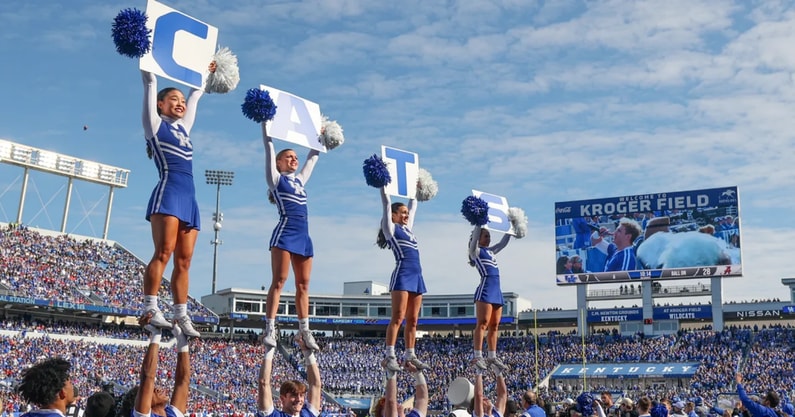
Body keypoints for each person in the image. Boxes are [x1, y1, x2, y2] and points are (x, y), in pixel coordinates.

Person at [140, 62, 217, 337]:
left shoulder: (185, 128)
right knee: (164, 251)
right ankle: (150, 307)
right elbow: (149, 80)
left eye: (181, 100)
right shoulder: (154, 124)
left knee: (184, 261)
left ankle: (180, 314)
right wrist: (148, 59)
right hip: (169, 192)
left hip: (190, 198)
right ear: (160, 104)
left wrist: (207, 70)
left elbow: (197, 93)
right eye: (174, 99)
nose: (180, 103)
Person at [260, 123, 321, 351]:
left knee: (303, 285)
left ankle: (304, 330)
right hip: (285, 234)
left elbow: (313, 157)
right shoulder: (276, 180)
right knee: (279, 281)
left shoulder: (300, 180)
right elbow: (267, 147)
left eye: (296, 157)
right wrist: (266, 126)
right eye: (289, 157)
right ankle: (270, 328)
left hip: (304, 237)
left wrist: (320, 137)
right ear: (279, 163)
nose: (294, 160)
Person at [376, 187, 428, 371]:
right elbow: (386, 203)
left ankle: (410, 354)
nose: (406, 215)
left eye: (406, 213)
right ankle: (390, 354)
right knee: (398, 317)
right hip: (403, 274)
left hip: (417, 276)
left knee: (413, 320)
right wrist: (383, 186)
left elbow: (414, 206)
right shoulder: (391, 229)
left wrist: (416, 187)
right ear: (394, 215)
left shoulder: (408, 229)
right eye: (402, 213)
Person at [119, 312, 190, 417]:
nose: (157, 389)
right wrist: (156, 334)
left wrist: (181, 338)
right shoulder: (142, 415)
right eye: (152, 391)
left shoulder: (171, 413)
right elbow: (148, 377)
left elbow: (183, 380)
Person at [468, 225, 511, 372]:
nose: (489, 238)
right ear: (478, 238)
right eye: (485, 235)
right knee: (483, 323)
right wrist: (478, 224)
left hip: (496, 290)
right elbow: (473, 241)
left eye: (489, 235)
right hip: (485, 289)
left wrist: (510, 228)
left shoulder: (491, 251)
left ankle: (492, 356)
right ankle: (478, 355)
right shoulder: (476, 251)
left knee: (495, 325)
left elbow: (503, 243)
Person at [256, 334, 321, 417]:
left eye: (301, 395)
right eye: (294, 395)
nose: (299, 399)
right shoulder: (275, 415)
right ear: (283, 398)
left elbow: (316, 384)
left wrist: (307, 350)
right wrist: (270, 349)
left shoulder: (307, 414)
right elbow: (263, 383)